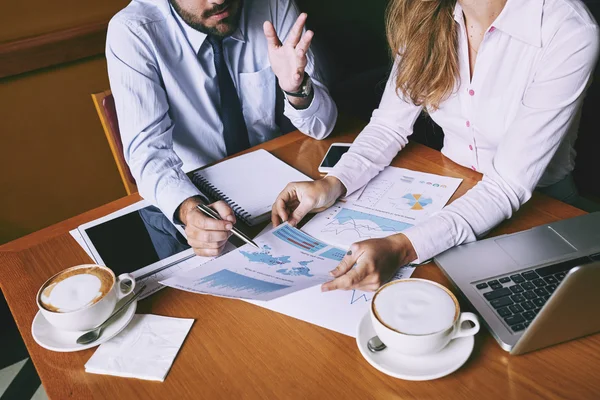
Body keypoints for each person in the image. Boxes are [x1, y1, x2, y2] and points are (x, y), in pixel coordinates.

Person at [271, 0, 600, 292]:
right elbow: (388, 126)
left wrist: (402, 247)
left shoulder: (567, 29)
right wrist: (331, 183)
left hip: (542, 209)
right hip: (448, 196)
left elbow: (507, 185)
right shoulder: (423, 12)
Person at [106, 0, 337, 257]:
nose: (218, 0)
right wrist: (188, 208)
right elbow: (147, 153)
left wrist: (296, 89)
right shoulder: (133, 30)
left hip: (274, 185)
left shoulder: (273, 4)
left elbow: (322, 126)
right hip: (186, 193)